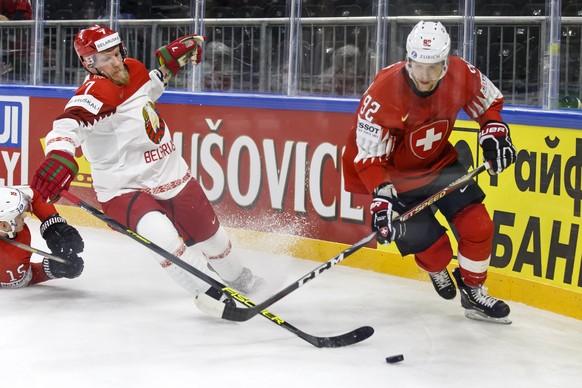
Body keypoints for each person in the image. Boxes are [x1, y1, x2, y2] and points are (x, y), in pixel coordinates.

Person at [30, 25, 263, 315]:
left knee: (213, 239)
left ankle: (237, 278)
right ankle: (209, 294)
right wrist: (59, 154)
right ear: (89, 63)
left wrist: (169, 68)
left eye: (116, 54)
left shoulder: (135, 69)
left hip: (170, 172)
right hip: (124, 188)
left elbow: (149, 89)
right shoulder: (94, 93)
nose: (114, 63)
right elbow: (67, 125)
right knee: (164, 240)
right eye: (104, 59)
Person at [342, 21, 517, 323]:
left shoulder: (461, 72)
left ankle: (474, 293)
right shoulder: (383, 94)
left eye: (433, 67)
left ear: (446, 63)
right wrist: (382, 198)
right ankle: (436, 267)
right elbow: (370, 158)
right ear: (408, 60)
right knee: (436, 250)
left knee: (478, 226)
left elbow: (488, 102)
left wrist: (494, 131)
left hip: (438, 163)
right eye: (418, 66)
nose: (424, 76)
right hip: (395, 177)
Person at [0, 186, 84, 288]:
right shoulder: (9, 259)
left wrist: (54, 224)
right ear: (4, 225)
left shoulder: (8, 222)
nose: (24, 216)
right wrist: (50, 269)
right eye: (19, 216)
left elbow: (32, 195)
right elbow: (23, 277)